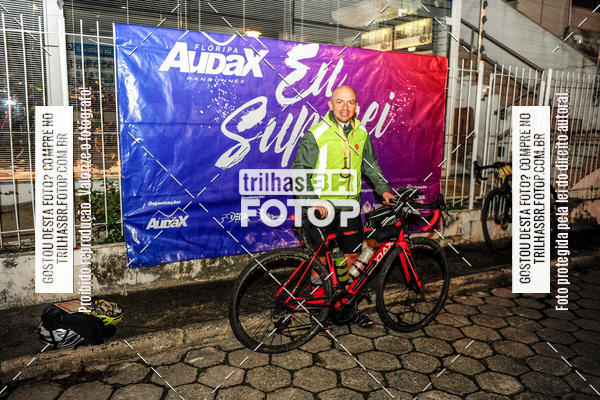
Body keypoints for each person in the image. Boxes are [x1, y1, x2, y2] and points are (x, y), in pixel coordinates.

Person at [291, 85, 395, 329]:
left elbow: (370, 165)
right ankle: (319, 314)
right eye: (340, 101)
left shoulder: (361, 132)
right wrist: (313, 200)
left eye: (350, 102)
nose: (345, 107)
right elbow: (299, 172)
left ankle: (347, 309)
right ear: (331, 104)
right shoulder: (316, 134)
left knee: (351, 259)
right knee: (320, 264)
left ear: (356, 106)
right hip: (321, 208)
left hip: (349, 207)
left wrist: (383, 189)